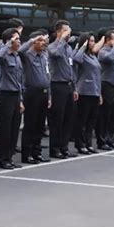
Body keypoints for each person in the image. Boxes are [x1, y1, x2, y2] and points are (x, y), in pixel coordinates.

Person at [18, 31, 51, 164]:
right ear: (35, 42)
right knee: (30, 124)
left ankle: (37, 152)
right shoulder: (27, 56)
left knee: (40, 125)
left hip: (43, 93)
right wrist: (31, 40)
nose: (44, 43)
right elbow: (20, 51)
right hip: (32, 93)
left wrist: (49, 96)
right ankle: (27, 153)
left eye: (44, 41)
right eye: (41, 41)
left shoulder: (43, 56)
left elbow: (47, 75)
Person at [47, 20, 78, 159]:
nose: (69, 32)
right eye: (66, 30)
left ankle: (64, 147)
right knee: (57, 119)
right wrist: (60, 39)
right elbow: (56, 54)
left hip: (69, 85)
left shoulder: (68, 48)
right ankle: (55, 148)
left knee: (68, 118)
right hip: (57, 86)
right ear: (59, 32)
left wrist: (75, 87)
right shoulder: (53, 46)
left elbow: (72, 69)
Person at [0, 28, 24, 169]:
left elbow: (19, 80)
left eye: (19, 39)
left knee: (14, 129)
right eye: (16, 39)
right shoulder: (5, 55)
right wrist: (8, 43)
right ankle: (3, 159)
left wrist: (20, 100)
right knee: (5, 129)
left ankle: (10, 157)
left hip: (15, 96)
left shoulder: (17, 57)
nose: (18, 41)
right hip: (5, 95)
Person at [73, 33, 104, 154]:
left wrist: (99, 92)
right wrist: (83, 46)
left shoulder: (93, 56)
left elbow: (97, 76)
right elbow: (76, 59)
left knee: (91, 120)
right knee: (82, 120)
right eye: (90, 41)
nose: (92, 43)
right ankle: (80, 144)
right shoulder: (82, 55)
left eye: (93, 41)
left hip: (95, 91)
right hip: (84, 91)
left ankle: (88, 143)